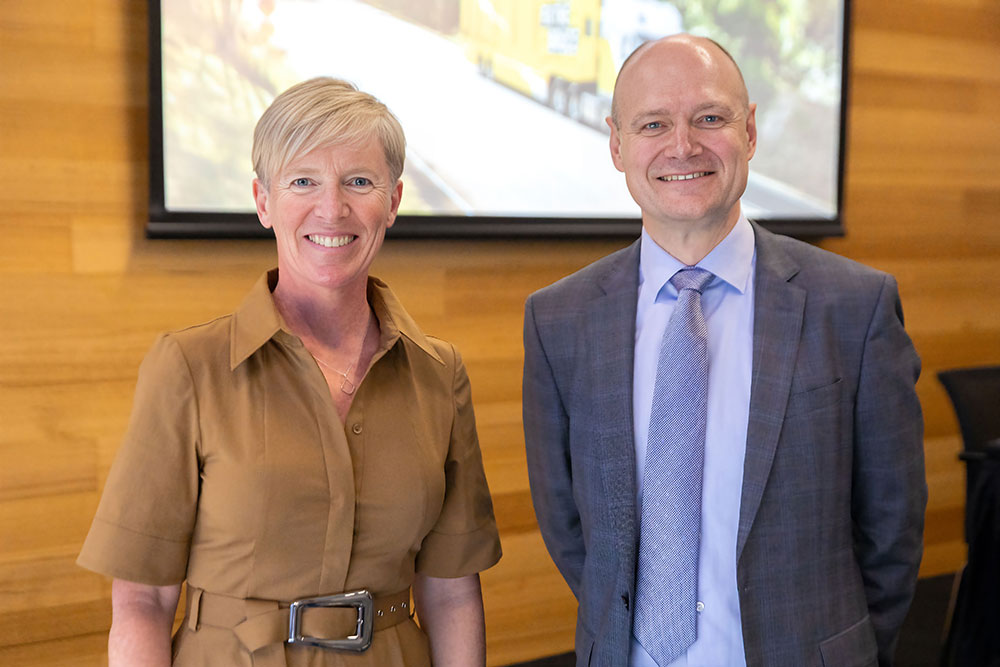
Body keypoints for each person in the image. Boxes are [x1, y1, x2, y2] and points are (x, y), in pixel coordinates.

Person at [522, 35, 925, 667]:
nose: (683, 145)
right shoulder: (559, 320)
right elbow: (573, 530)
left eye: (709, 118)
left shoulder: (853, 307)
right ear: (617, 144)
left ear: (751, 131)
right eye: (653, 123)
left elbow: (891, 529)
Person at [78, 77, 502, 666]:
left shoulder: (440, 374)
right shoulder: (189, 368)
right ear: (263, 201)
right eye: (303, 181)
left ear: (395, 201)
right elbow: (143, 602)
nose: (333, 208)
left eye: (359, 181)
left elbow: (452, 595)